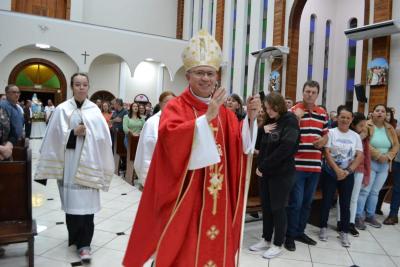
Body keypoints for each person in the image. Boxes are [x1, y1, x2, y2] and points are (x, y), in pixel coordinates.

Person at [123, 30, 260, 267]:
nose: (206, 78)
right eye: (199, 73)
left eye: (210, 73)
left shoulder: (226, 113)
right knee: (184, 248)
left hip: (219, 198)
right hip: (188, 196)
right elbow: (169, 138)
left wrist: (250, 119)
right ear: (188, 75)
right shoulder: (176, 106)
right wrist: (205, 119)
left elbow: (240, 147)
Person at [35, 73, 114, 262]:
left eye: (84, 84)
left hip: (90, 166)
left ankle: (85, 243)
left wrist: (89, 133)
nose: (81, 87)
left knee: (87, 207)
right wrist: (72, 133)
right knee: (72, 206)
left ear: (88, 87)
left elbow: (104, 139)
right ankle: (75, 238)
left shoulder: (94, 110)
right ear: (72, 87)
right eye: (77, 84)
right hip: (70, 163)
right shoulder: (62, 109)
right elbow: (53, 136)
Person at [249, 93, 300, 259]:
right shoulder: (270, 121)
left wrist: (263, 166)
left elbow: (286, 149)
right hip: (265, 173)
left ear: (279, 105)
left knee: (278, 208)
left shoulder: (290, 120)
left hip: (281, 173)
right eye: (267, 108)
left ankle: (277, 243)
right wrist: (261, 128)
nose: (268, 111)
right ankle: (265, 238)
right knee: (267, 208)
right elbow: (257, 145)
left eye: (272, 108)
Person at [285, 80, 328, 252]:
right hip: (297, 164)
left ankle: (299, 232)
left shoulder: (322, 113)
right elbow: (285, 132)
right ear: (302, 92)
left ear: (317, 94)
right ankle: (289, 235)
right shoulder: (293, 111)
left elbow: (326, 134)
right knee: (296, 202)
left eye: (313, 92)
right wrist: (296, 119)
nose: (310, 94)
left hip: (315, 165)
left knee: (307, 203)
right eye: (307, 91)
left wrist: (323, 140)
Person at [318, 106, 363, 247]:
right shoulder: (330, 133)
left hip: (347, 174)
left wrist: (348, 171)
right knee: (326, 201)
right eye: (342, 117)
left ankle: (344, 231)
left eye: (348, 117)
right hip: (330, 172)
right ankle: (323, 227)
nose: (345, 120)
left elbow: (359, 155)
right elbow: (327, 152)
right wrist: (337, 170)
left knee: (345, 203)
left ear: (351, 120)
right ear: (337, 118)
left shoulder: (355, 136)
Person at [355, 104, 399, 229]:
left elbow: (396, 145)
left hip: (385, 164)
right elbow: (364, 143)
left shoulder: (390, 128)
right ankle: (358, 216)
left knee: (375, 192)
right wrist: (378, 155)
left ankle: (370, 215)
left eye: (383, 111)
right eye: (377, 110)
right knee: (365, 191)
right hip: (371, 162)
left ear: (386, 114)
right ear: (373, 113)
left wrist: (389, 156)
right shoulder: (367, 125)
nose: (380, 113)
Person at [336, 112, 371, 237]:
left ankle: (350, 223)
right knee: (343, 197)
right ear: (354, 124)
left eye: (365, 126)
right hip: (345, 169)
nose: (364, 128)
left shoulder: (365, 138)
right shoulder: (349, 136)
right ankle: (340, 221)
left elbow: (366, 156)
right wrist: (359, 137)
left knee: (354, 198)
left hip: (359, 170)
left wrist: (367, 173)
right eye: (361, 125)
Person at [134, 91, 175, 187]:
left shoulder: (180, 120)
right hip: (157, 171)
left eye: (173, 102)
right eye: (166, 102)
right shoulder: (152, 123)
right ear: (160, 104)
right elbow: (146, 152)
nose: (170, 104)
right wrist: (146, 179)